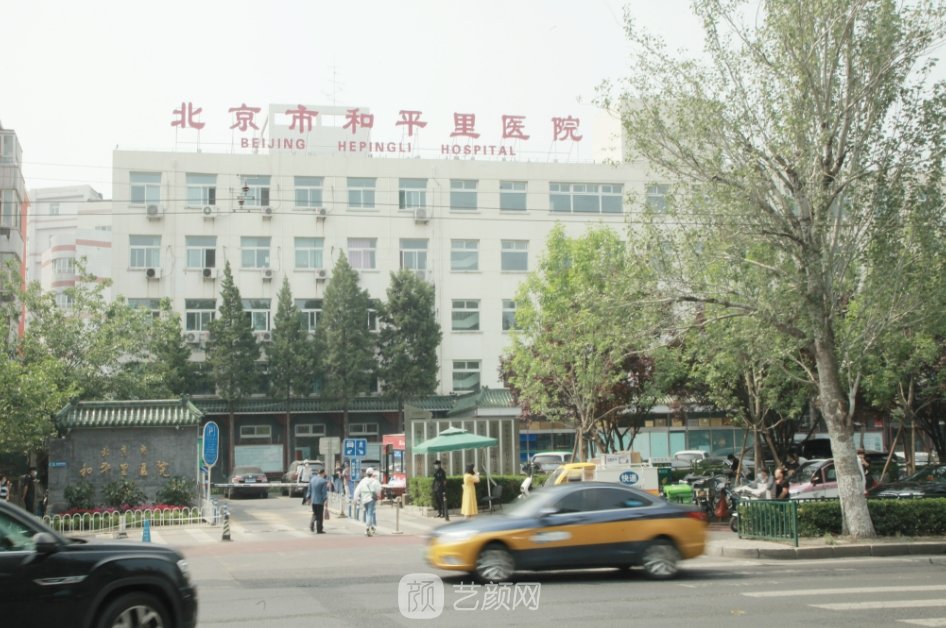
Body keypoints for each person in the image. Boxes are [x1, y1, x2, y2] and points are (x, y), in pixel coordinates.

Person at [354, 467, 382, 536]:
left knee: (368, 513)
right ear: (372, 474)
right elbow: (379, 489)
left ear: (366, 474)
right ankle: (367, 529)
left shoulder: (363, 481)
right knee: (370, 514)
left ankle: (371, 527)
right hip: (371, 499)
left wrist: (355, 499)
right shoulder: (375, 481)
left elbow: (357, 490)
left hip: (364, 499)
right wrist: (378, 495)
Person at [307, 468, 330, 534]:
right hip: (320, 501)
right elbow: (324, 492)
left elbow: (309, 489)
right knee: (320, 515)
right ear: (323, 473)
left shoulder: (312, 479)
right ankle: (319, 529)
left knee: (315, 513)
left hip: (313, 500)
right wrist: (325, 500)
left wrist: (308, 498)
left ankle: (311, 524)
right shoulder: (323, 481)